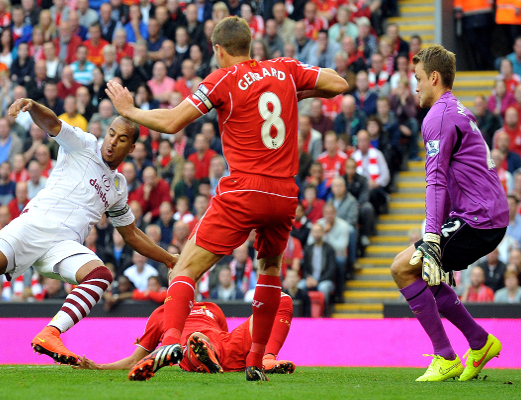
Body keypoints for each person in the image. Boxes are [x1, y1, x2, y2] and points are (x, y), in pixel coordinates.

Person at [105, 15, 347, 381]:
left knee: (185, 267)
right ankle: (254, 360)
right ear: (249, 45)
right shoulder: (284, 69)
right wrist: (295, 90)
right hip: (285, 192)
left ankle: (171, 339)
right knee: (269, 270)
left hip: (245, 189)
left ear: (218, 50)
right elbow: (338, 83)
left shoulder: (221, 79)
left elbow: (172, 121)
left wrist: (130, 111)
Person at [0, 97, 179, 366]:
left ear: (132, 147)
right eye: (111, 133)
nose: (112, 142)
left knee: (100, 277)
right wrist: (32, 106)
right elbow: (52, 123)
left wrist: (169, 259)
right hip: (34, 225)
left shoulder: (118, 187)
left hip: (65, 245)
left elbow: (131, 233)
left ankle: (50, 333)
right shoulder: (84, 144)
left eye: (121, 139)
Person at [390, 45, 509, 382]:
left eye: (417, 79)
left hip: (478, 218)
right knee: (425, 274)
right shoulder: (456, 110)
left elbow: (437, 181)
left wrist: (431, 236)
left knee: (402, 269)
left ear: (434, 77)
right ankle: (479, 342)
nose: (415, 86)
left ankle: (445, 357)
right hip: (484, 215)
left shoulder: (438, 117)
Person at [74, 292, 295, 375]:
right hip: (190, 351)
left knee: (281, 298)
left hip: (225, 343)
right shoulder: (160, 314)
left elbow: (226, 335)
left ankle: (266, 359)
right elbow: (135, 359)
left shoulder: (212, 308)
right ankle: (202, 353)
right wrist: (100, 367)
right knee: (195, 340)